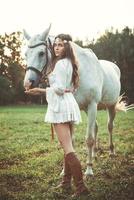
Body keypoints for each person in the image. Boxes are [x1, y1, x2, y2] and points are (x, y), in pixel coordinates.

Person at [25, 34, 88, 198]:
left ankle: (81, 187)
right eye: (56, 45)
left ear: (67, 47)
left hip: (61, 106)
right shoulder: (70, 63)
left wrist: (40, 90)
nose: (57, 47)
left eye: (61, 45)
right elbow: (71, 88)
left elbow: (59, 89)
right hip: (69, 103)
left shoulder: (60, 65)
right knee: (68, 146)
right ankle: (66, 182)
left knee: (68, 148)